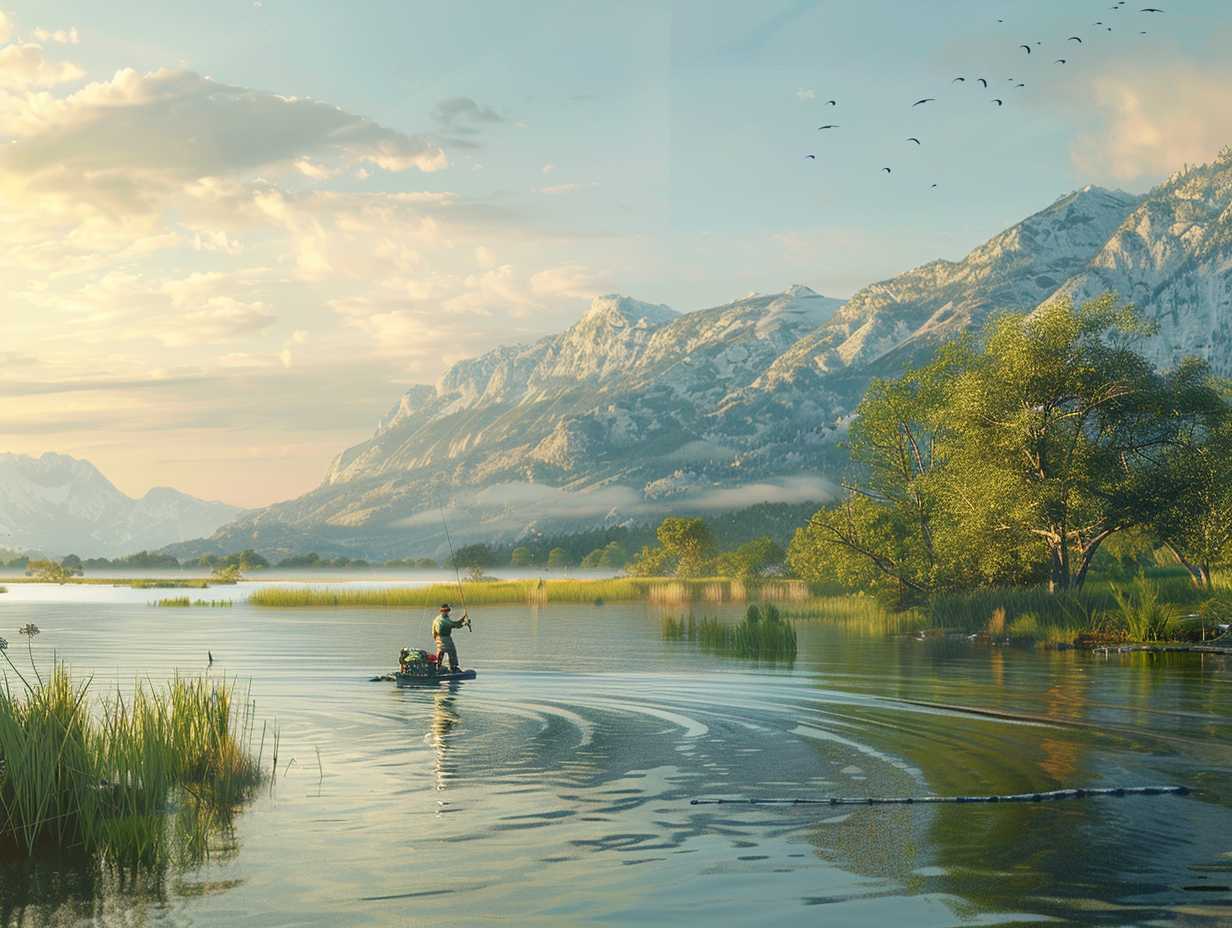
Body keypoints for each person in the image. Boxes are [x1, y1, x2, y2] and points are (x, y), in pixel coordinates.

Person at [432, 603, 468, 673]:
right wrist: (464, 622)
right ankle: (453, 667)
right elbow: (455, 625)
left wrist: (463, 619)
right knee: (451, 651)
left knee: (440, 652)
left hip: (439, 638)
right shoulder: (443, 620)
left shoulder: (437, 619)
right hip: (444, 638)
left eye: (447, 610)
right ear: (442, 611)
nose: (447, 612)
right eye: (445, 611)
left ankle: (438, 667)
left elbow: (433, 632)